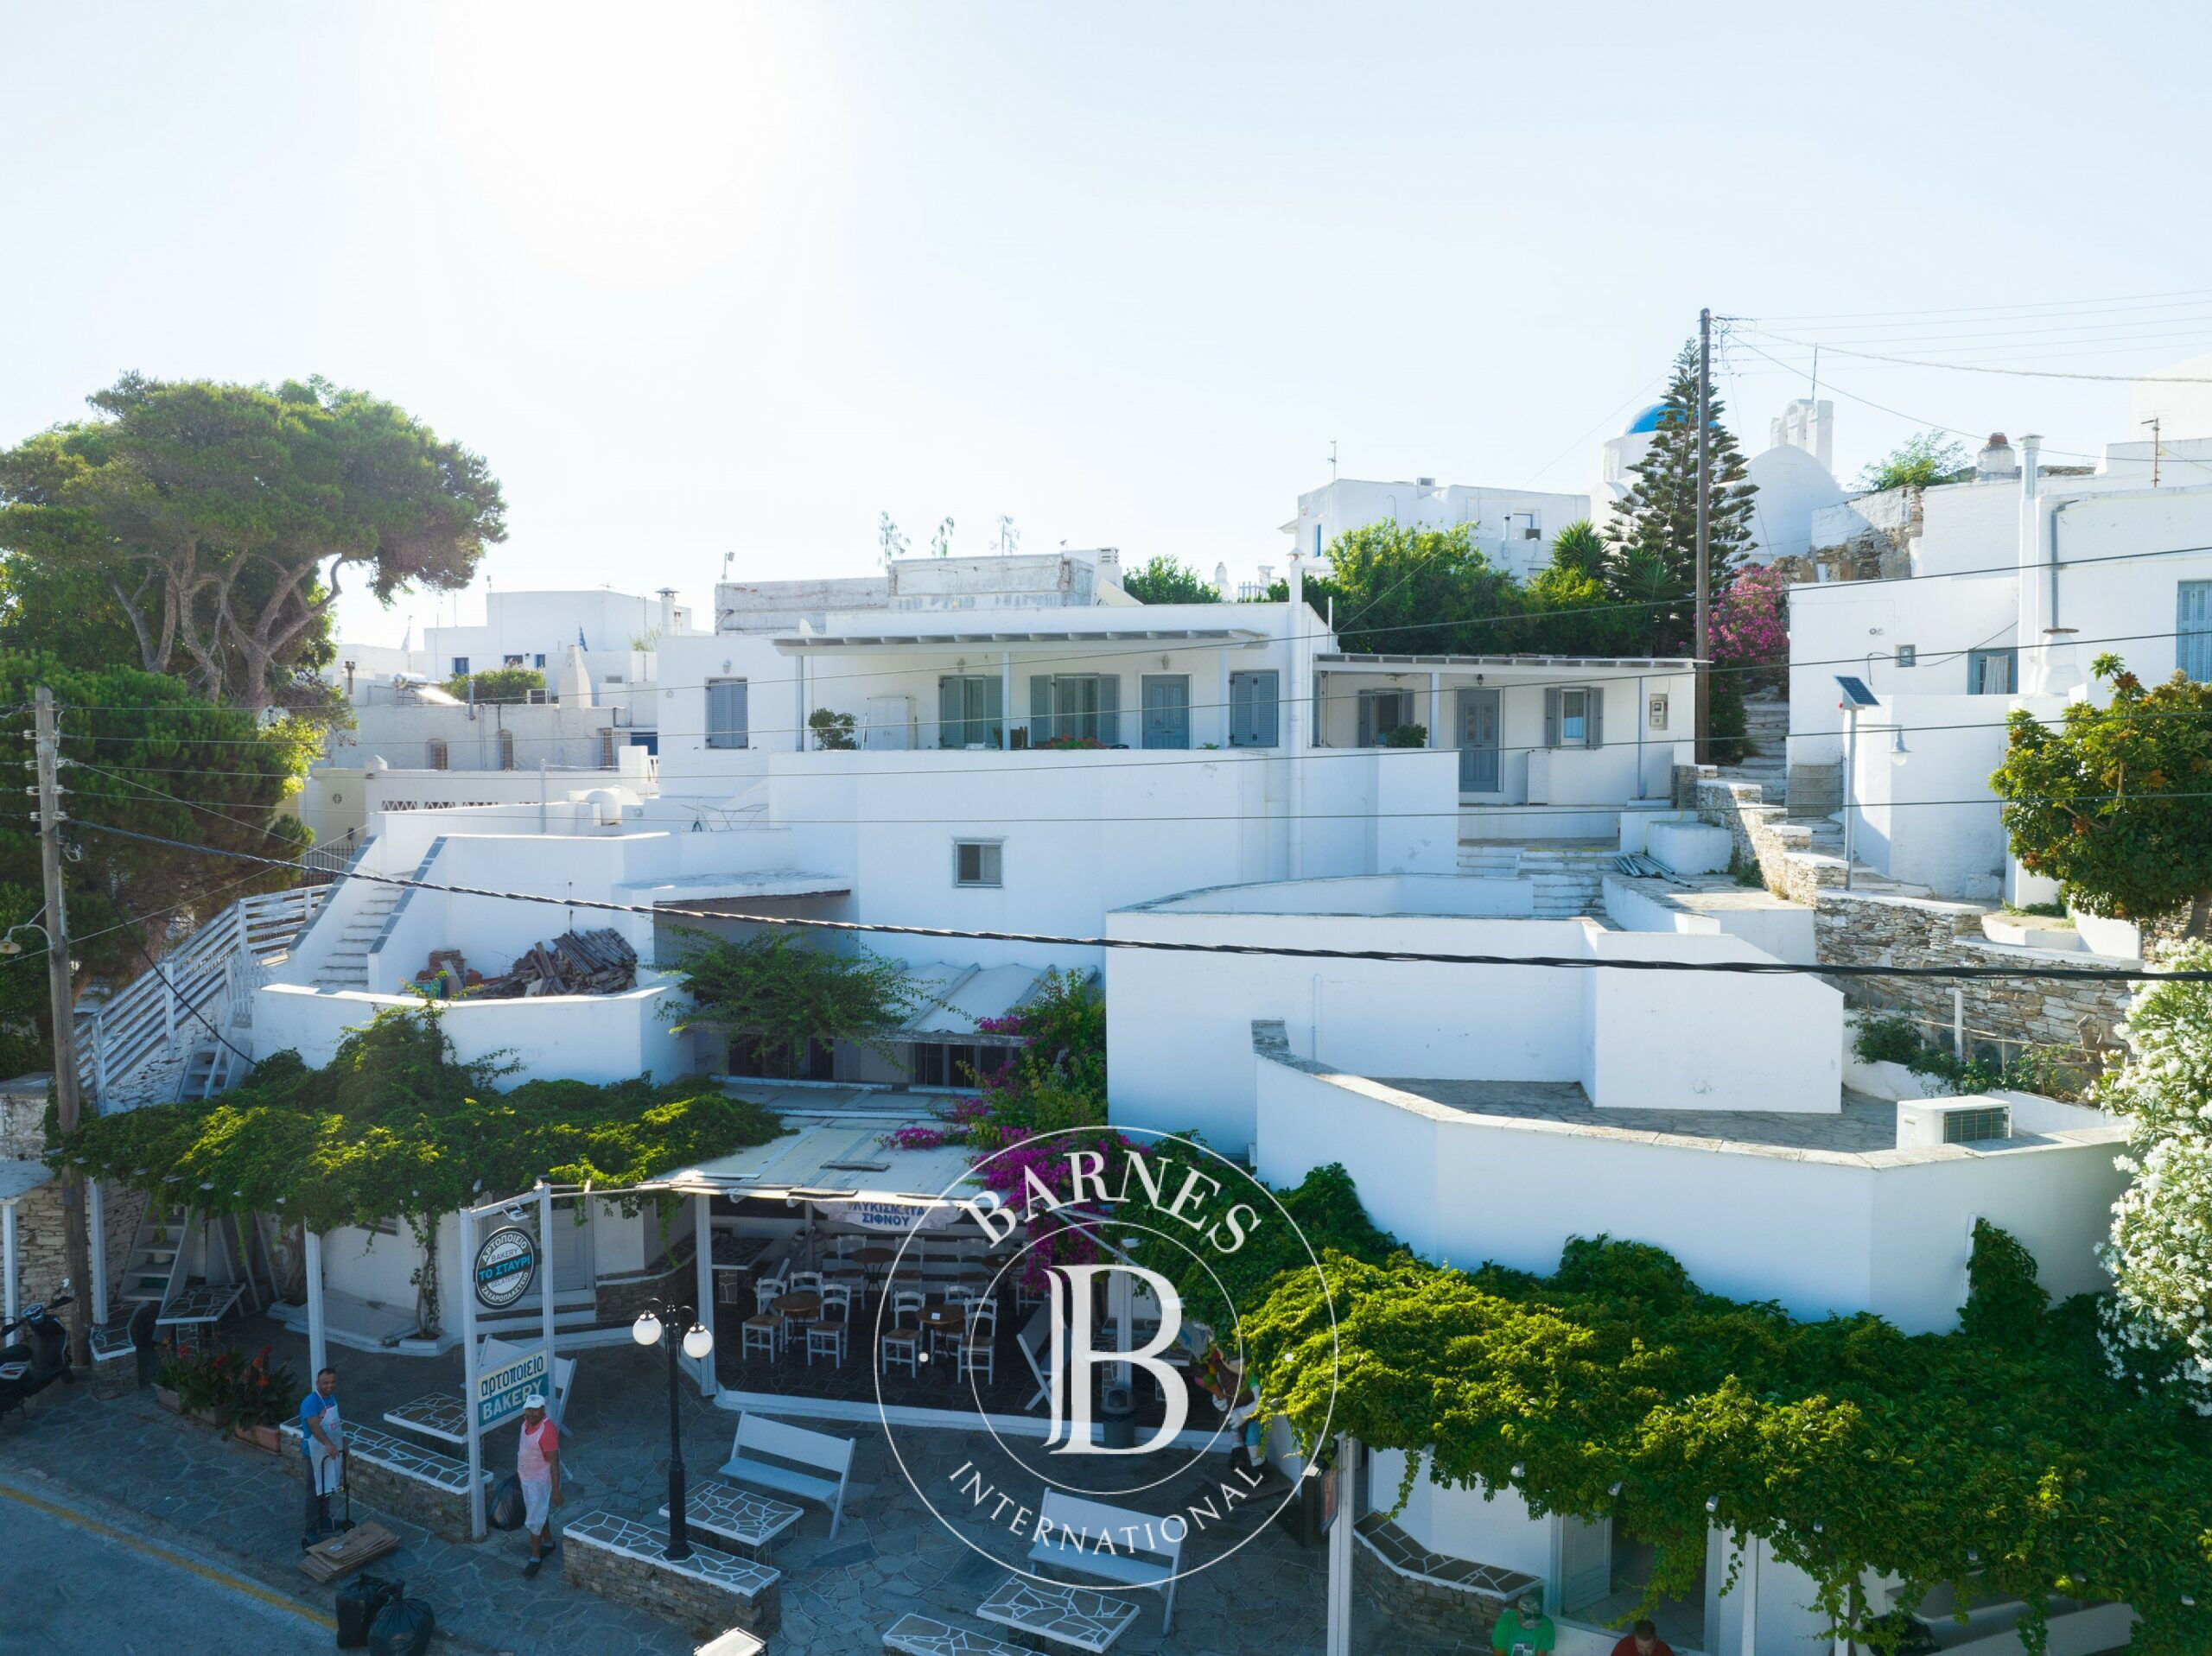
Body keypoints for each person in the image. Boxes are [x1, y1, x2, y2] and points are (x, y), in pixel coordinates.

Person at [516, 1393, 563, 1578]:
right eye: (528, 1409)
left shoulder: (547, 1431)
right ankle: (549, 1542)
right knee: (539, 1512)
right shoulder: (525, 1424)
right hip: (526, 1476)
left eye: (535, 1410)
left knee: (533, 1520)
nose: (531, 1413)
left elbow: (554, 1464)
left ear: (542, 1410)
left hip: (538, 1481)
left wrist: (556, 1491)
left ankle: (535, 1557)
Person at [298, 1367, 344, 1550]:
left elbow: (336, 1424)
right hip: (315, 1451)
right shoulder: (310, 1402)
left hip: (330, 1450)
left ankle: (324, 1519)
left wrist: (343, 1444)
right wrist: (328, 1444)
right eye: (325, 1383)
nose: (329, 1386)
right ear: (317, 1383)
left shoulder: (332, 1399)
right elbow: (314, 1427)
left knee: (328, 1486)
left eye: (333, 1382)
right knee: (314, 1491)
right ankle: (311, 1529)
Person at [1491, 1589, 1557, 1656]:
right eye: (1527, 1616)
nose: (1531, 1621)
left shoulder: (1546, 1626)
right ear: (1517, 1612)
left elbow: (1541, 1654)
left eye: (1537, 1616)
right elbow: (1499, 1653)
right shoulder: (1504, 1624)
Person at [1610, 1620, 1676, 1656]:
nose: (1644, 1653)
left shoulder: (1664, 1651)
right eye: (1640, 1647)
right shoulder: (1624, 1646)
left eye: (1648, 1648)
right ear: (1634, 1638)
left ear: (1656, 1640)